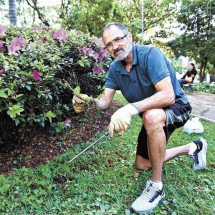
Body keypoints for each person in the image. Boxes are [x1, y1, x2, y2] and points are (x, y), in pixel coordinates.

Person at [73, 22, 208, 214]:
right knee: (142, 163)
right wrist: (88, 102)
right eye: (109, 44)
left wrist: (129, 109)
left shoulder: (150, 54)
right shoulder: (114, 69)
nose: (114, 46)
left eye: (118, 39)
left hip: (177, 107)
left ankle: (156, 187)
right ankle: (193, 147)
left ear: (129, 37)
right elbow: (105, 102)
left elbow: (168, 95)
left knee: (151, 117)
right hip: (150, 115)